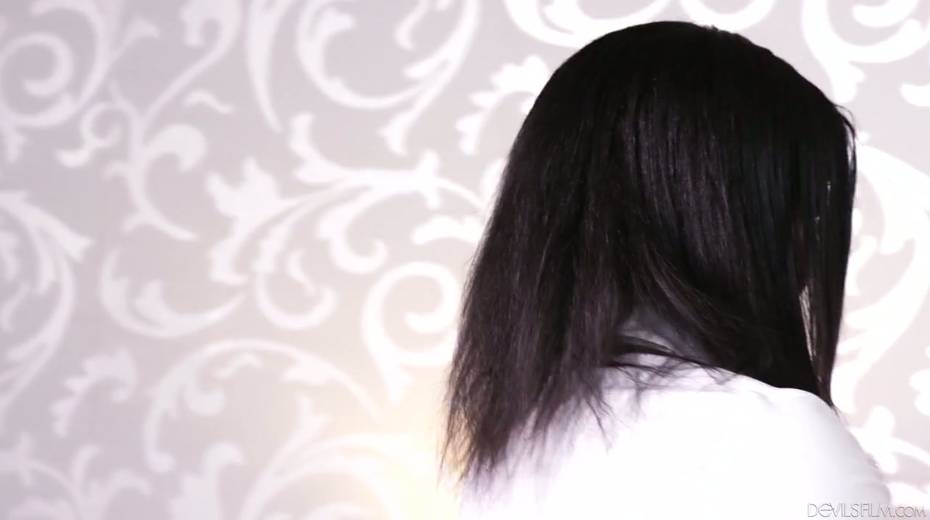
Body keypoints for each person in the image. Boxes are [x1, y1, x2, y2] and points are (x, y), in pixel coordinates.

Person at [438, 20, 891, 519]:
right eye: (800, 204)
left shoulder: (508, 457)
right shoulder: (779, 442)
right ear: (728, 214)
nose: (809, 237)